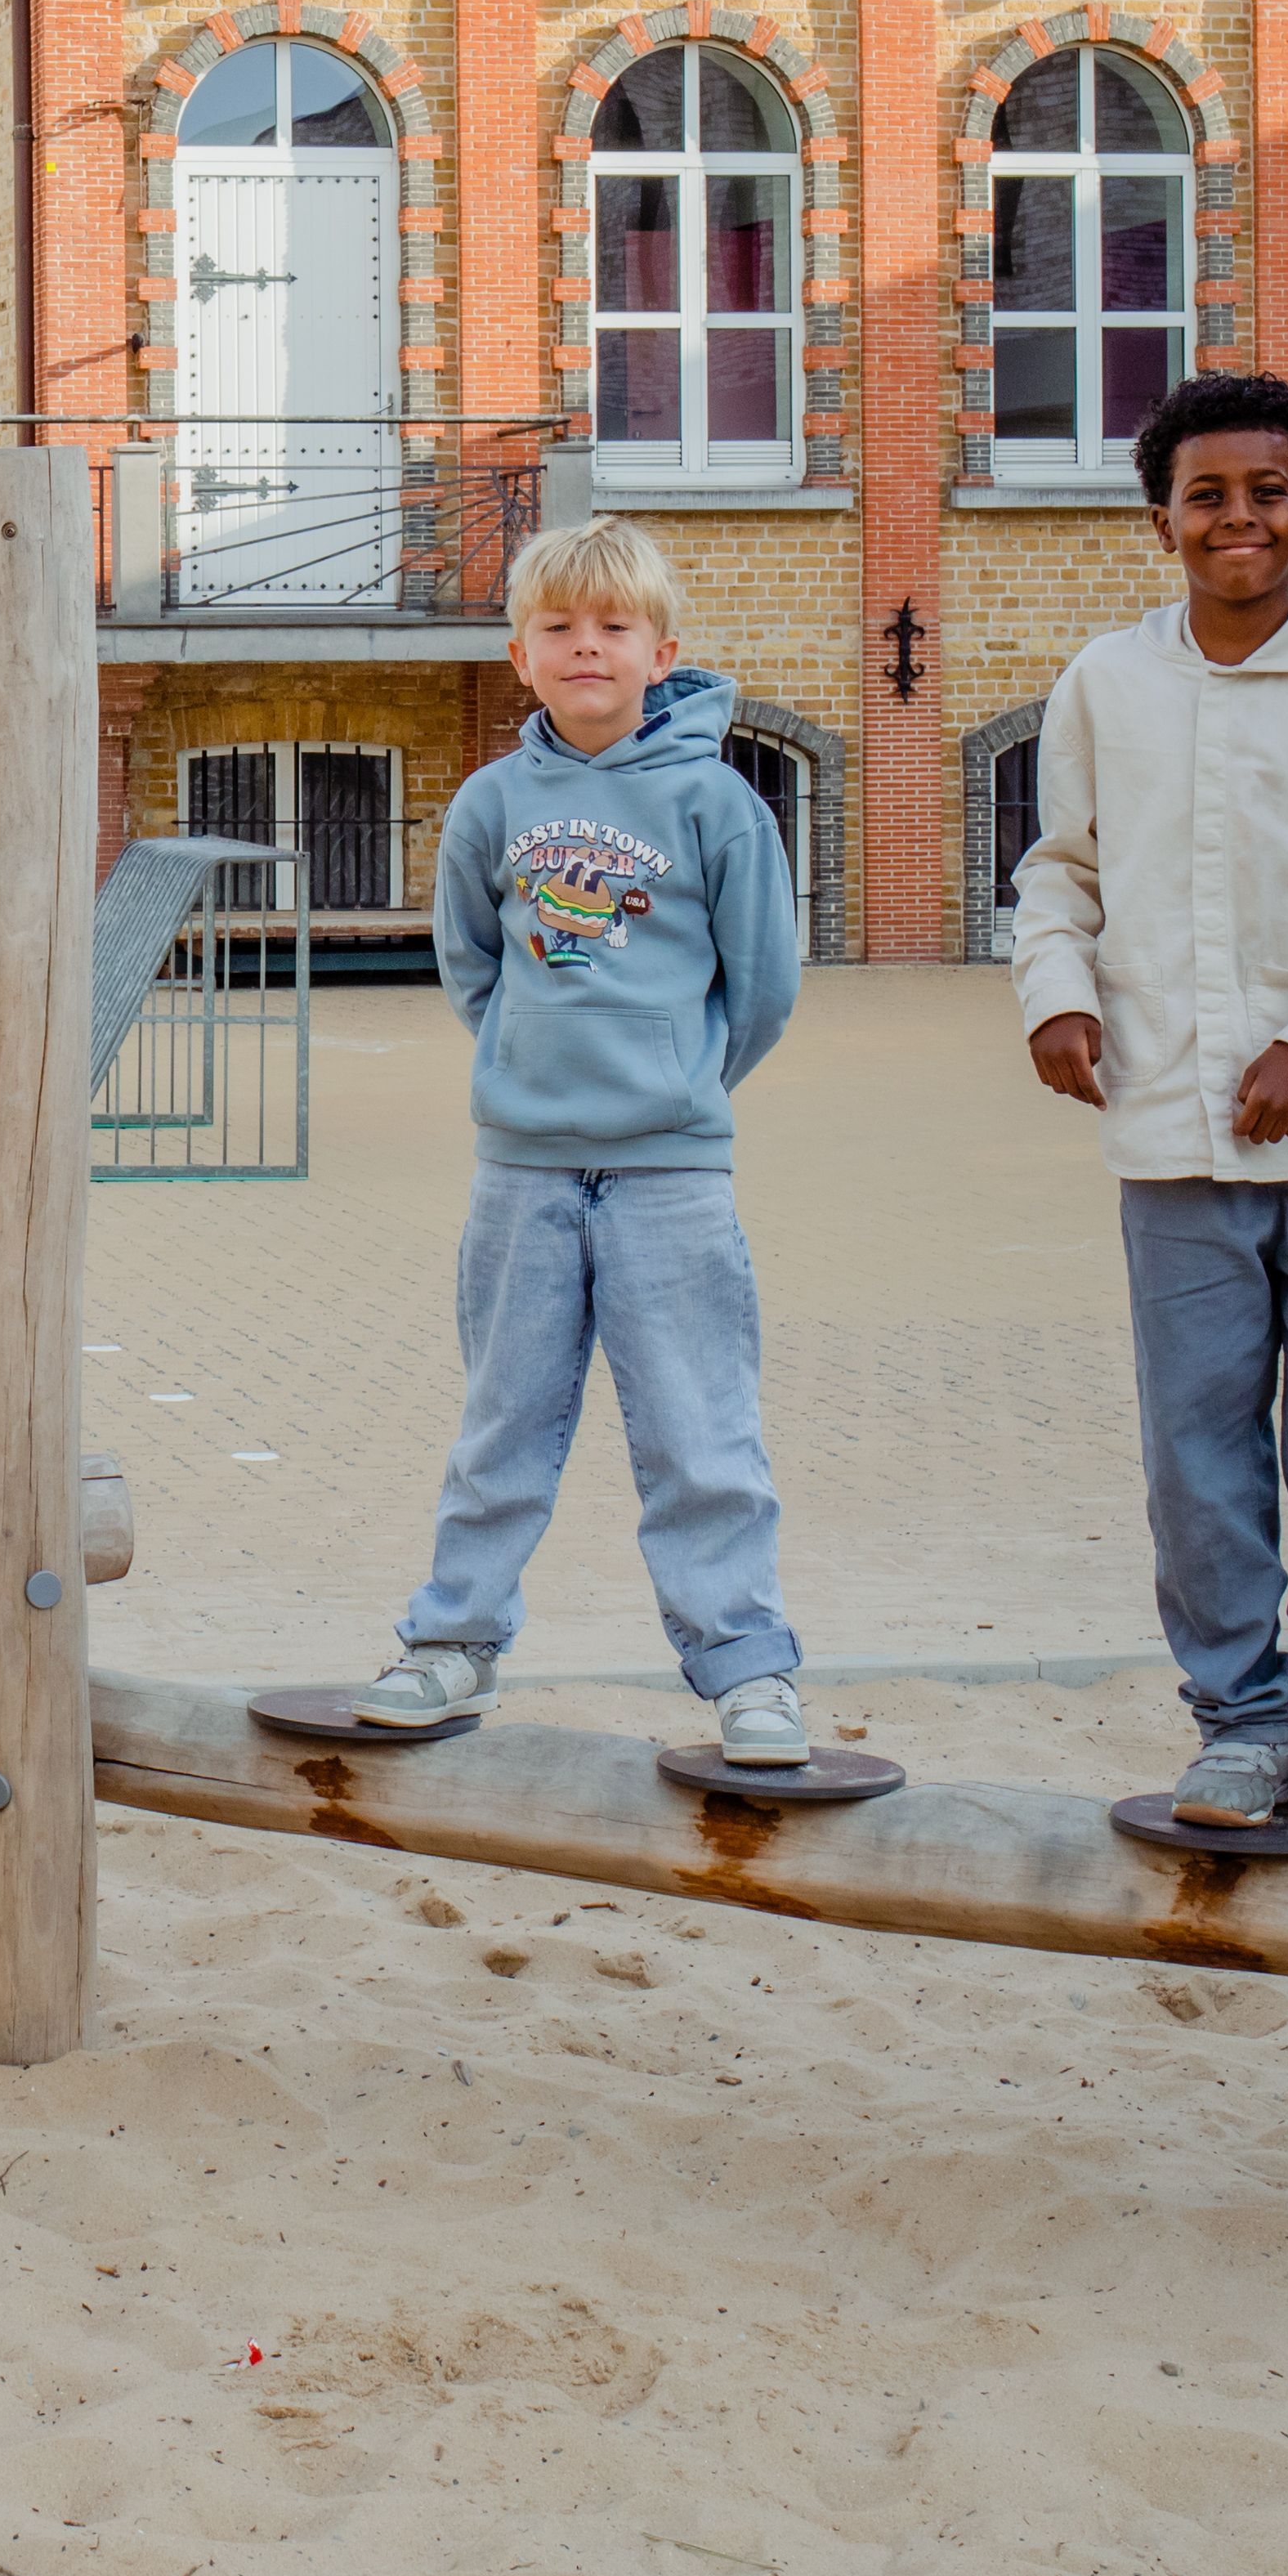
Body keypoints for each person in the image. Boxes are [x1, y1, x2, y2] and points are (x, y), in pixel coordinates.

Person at [1013, 370, 1288, 1832]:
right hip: (1167, 1131)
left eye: (1268, 490)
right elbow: (1061, 873)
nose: (1240, 519)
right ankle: (1239, 1718)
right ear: (1163, 521)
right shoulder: (1104, 685)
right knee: (1197, 1443)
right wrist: (1056, 995)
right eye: (1208, 495)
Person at [359, 516, 817, 1765]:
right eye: (559, 628)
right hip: (522, 1170)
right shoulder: (493, 802)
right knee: (504, 1422)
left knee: (698, 1431)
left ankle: (747, 1670)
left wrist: (672, 1080)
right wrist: (527, 1067)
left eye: (613, 628)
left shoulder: (717, 805)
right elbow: (470, 963)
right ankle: (452, 1643)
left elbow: (763, 985)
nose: (586, 649)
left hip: (671, 1174)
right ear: (520, 653)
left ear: (661, 650)